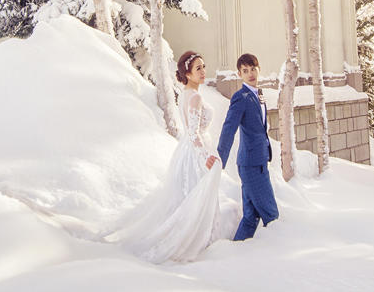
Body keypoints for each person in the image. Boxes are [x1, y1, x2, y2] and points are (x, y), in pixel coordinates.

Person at [106, 51, 223, 263]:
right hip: (195, 152)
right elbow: (193, 133)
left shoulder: (186, 93)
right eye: (198, 68)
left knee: (185, 198)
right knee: (196, 199)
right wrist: (205, 156)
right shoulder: (195, 97)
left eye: (204, 66)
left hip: (186, 151)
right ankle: (196, 240)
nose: (203, 71)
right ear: (187, 73)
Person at [217, 53, 280, 241]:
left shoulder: (258, 94)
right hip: (251, 165)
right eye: (245, 71)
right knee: (272, 215)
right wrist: (220, 158)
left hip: (259, 160)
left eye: (253, 69)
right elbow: (229, 128)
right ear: (239, 74)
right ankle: (282, 257)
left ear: (259, 69)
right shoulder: (241, 97)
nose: (250, 74)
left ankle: (236, 253)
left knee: (250, 217)